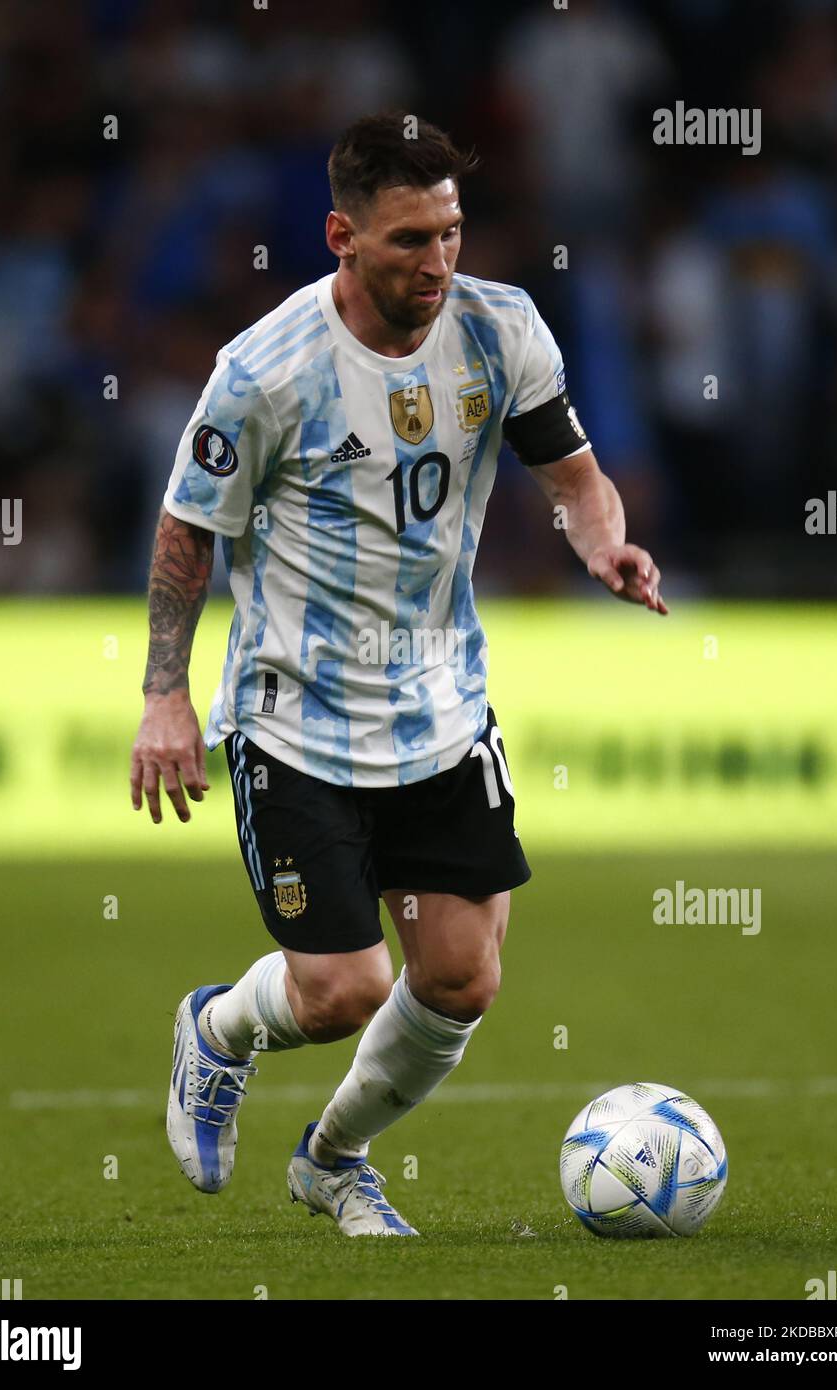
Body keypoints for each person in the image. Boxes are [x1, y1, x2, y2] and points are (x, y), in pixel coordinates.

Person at [130, 111, 667, 1238]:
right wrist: (165, 694)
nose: (439, 262)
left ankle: (334, 1159)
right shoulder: (265, 371)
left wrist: (602, 542)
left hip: (440, 709)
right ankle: (220, 1030)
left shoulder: (499, 331)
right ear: (341, 235)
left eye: (453, 233)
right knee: (341, 990)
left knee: (462, 978)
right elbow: (187, 533)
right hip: (296, 717)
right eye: (412, 240)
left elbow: (574, 478)